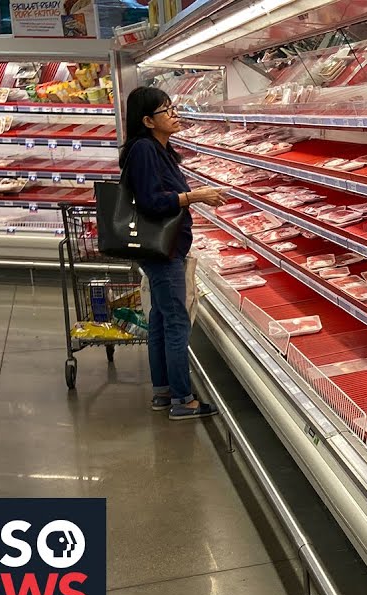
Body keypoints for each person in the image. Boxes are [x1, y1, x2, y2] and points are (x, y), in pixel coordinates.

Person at [119, 86, 227, 420]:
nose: (175, 114)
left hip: (165, 247)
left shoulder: (159, 149)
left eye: (173, 107)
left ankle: (164, 391)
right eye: (166, 110)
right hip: (162, 251)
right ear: (148, 121)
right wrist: (195, 196)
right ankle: (183, 400)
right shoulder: (144, 150)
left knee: (161, 320)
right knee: (176, 322)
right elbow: (151, 201)